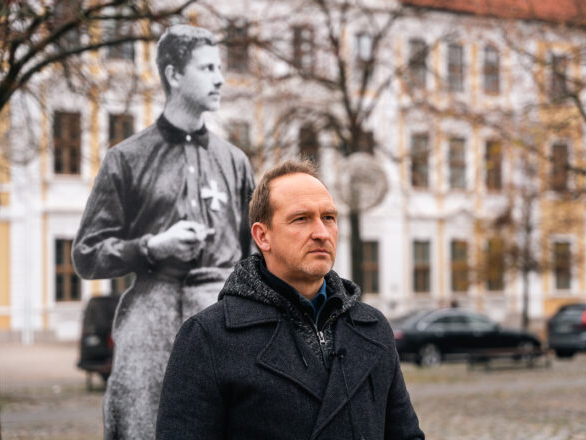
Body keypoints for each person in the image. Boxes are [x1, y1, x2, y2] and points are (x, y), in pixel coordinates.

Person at [72, 25, 254, 440]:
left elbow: (255, 255)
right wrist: (151, 245)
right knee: (142, 422)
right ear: (174, 74)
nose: (220, 78)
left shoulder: (235, 162)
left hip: (224, 317)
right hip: (150, 320)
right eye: (207, 68)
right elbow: (86, 253)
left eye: (220, 67)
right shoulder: (127, 159)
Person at [156, 160, 424, 439]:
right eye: (301, 219)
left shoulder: (372, 327)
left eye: (329, 218)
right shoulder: (208, 337)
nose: (321, 232)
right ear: (263, 236)